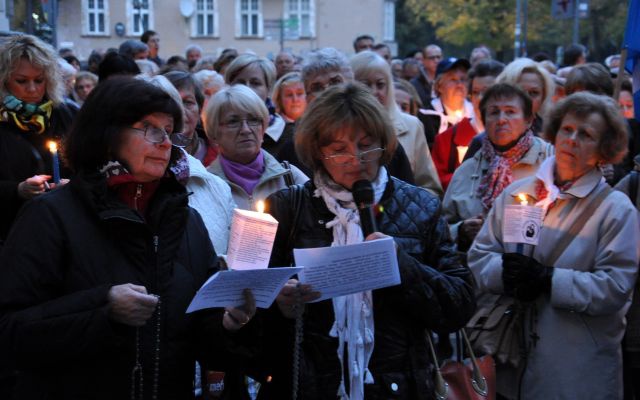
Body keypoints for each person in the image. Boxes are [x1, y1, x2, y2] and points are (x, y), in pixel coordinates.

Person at [0, 77, 257, 399]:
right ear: (107, 135)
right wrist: (103, 311)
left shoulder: (185, 219)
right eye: (149, 128)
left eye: (168, 131)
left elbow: (196, 327)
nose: (165, 142)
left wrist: (228, 322)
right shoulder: (50, 216)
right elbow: (10, 331)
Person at [257, 82, 476, 399]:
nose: (355, 159)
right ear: (318, 151)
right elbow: (249, 317)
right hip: (311, 385)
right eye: (338, 149)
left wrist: (401, 264)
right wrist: (279, 301)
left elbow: (458, 306)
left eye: (366, 145)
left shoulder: (420, 206)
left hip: (397, 385)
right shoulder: (287, 208)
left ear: (384, 144)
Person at [468, 92, 639, 399]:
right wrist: (506, 272)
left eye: (586, 134)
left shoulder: (616, 210)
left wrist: (549, 279)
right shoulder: (517, 193)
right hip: (510, 361)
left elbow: (616, 287)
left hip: (575, 372)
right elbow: (479, 258)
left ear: (604, 150)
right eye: (567, 129)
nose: (572, 140)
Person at [443, 83, 553, 252]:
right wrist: (461, 230)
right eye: (494, 112)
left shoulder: (550, 162)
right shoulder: (467, 170)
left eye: (510, 112)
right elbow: (441, 228)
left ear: (528, 120)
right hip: (477, 268)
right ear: (484, 120)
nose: (501, 120)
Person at [0, 34, 78, 242]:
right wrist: (17, 190)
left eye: (39, 80)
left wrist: (73, 186)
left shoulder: (67, 115)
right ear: (4, 80)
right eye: (22, 81)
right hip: (12, 234)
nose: (32, 89)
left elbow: (93, 169)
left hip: (65, 229)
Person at [351, 50, 442, 196]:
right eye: (366, 85)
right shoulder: (338, 131)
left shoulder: (412, 126)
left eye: (380, 85)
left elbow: (430, 188)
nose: (375, 92)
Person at [203, 84, 308, 211]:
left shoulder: (290, 177)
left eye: (253, 120)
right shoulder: (204, 184)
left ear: (263, 127)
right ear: (214, 133)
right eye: (233, 122)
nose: (246, 130)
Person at [432, 60, 504, 190]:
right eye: (476, 92)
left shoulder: (517, 137)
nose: (480, 98)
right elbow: (436, 184)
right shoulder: (446, 140)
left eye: (487, 91)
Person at [224, 54, 291, 158]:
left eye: (255, 83)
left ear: (268, 89)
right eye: (240, 83)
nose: (247, 89)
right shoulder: (220, 130)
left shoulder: (289, 136)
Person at [164, 70, 218, 166]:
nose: (180, 110)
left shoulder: (219, 157)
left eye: (187, 102)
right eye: (172, 101)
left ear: (200, 110)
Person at [420, 57, 474, 146]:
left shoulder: (476, 114)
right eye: (453, 80)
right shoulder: (426, 117)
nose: (460, 85)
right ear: (439, 86)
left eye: (463, 79)